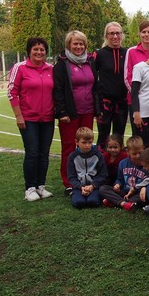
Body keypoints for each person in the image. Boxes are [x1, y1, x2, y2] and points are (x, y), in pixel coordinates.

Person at [8, 37, 55, 201]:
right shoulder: (20, 68)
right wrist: (18, 115)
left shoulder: (50, 69)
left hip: (48, 118)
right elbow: (12, 92)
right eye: (35, 49)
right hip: (28, 119)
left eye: (42, 49)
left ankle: (41, 186)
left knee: (44, 153)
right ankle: (30, 188)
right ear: (29, 51)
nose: (39, 52)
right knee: (32, 153)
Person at [53, 30, 99, 195]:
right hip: (70, 114)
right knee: (69, 147)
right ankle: (68, 182)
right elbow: (58, 90)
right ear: (69, 45)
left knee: (86, 146)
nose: (78, 47)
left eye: (81, 44)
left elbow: (95, 88)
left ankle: (84, 179)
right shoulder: (62, 64)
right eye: (75, 44)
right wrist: (61, 112)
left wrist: (97, 109)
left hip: (88, 111)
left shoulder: (90, 62)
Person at [94, 22, 128, 149]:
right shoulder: (99, 54)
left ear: (121, 35)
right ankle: (101, 160)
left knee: (119, 137)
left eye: (118, 33)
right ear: (106, 36)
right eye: (111, 33)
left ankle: (118, 161)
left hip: (122, 102)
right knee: (103, 136)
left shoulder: (127, 53)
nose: (115, 36)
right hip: (105, 102)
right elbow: (93, 78)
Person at [124, 21, 149, 135]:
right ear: (139, 34)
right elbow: (127, 77)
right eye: (143, 32)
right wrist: (139, 94)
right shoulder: (131, 51)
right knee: (138, 137)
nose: (146, 34)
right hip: (136, 101)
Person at [100, 135, 147, 211]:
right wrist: (117, 185)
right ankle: (124, 203)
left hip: (138, 193)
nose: (138, 156)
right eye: (134, 154)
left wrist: (143, 189)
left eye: (140, 153)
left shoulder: (146, 164)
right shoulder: (123, 163)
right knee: (103, 188)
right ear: (128, 151)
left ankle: (116, 202)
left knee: (147, 194)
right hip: (125, 191)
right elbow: (120, 179)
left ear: (143, 149)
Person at [66, 127, 107, 209]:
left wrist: (93, 186)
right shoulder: (72, 157)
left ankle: (95, 195)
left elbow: (103, 174)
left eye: (90, 142)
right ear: (76, 142)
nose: (87, 145)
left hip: (94, 186)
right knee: (79, 203)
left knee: (93, 202)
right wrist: (80, 187)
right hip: (79, 187)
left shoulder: (98, 155)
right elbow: (71, 176)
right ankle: (76, 194)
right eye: (84, 142)